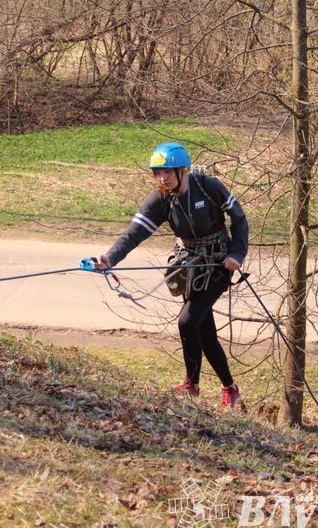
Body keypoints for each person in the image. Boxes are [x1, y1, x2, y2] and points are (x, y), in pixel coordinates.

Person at [93, 142, 249, 409]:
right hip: (189, 268)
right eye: (157, 173)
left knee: (187, 322)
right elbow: (134, 234)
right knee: (204, 331)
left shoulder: (208, 187)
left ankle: (192, 384)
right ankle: (229, 388)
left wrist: (237, 253)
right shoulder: (161, 199)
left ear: (182, 170)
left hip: (219, 264)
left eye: (167, 172)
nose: (162, 178)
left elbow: (239, 219)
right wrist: (110, 258)